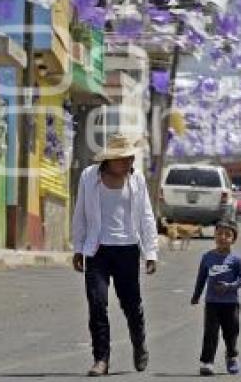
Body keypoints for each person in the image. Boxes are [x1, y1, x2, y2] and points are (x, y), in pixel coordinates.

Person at [71, 134, 159, 377]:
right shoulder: (89, 177)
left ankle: (139, 343)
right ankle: (101, 359)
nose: (128, 162)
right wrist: (78, 248)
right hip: (97, 250)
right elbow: (80, 214)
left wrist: (150, 252)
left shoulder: (137, 179)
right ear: (109, 160)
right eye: (122, 159)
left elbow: (146, 216)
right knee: (97, 303)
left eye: (130, 158)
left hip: (127, 249)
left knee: (131, 305)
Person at [191, 220, 241, 376]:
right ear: (214, 236)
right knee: (210, 333)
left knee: (231, 333)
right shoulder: (207, 257)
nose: (222, 237)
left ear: (234, 239)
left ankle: (231, 356)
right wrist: (196, 295)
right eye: (219, 234)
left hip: (231, 304)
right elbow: (201, 277)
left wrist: (230, 286)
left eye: (227, 235)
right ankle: (207, 362)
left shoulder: (236, 259)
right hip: (212, 303)